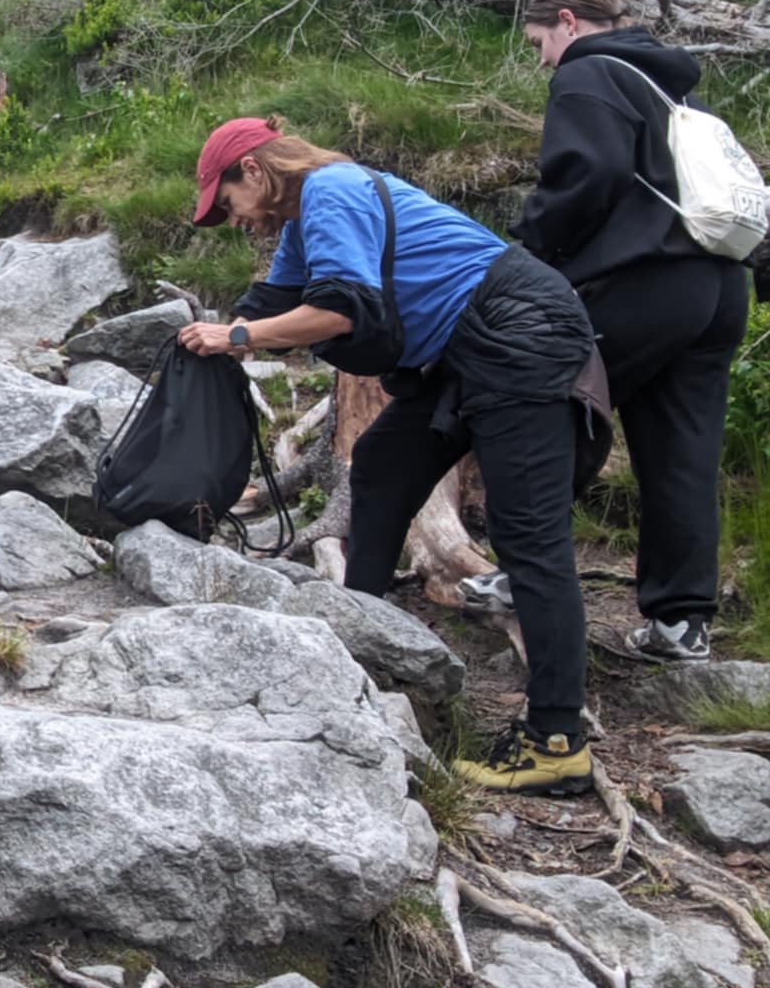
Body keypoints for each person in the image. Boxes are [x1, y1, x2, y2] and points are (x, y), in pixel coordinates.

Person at [178, 117, 606, 797]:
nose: (232, 220)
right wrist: (212, 339)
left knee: (528, 534)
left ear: (253, 170)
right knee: (379, 468)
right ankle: (357, 653)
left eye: (226, 203)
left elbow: (340, 311)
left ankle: (556, 743)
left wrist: (235, 337)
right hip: (462, 352)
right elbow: (274, 301)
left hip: (520, 331)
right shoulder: (301, 224)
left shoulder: (331, 191)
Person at [498, 0, 751, 663]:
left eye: (540, 43)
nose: (542, 59)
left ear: (569, 22)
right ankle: (680, 623)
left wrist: (531, 249)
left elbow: (590, 174)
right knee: (682, 451)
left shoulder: (586, 74)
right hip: (720, 288)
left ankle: (524, 574)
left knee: (547, 412)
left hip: (646, 285)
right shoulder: (677, 88)